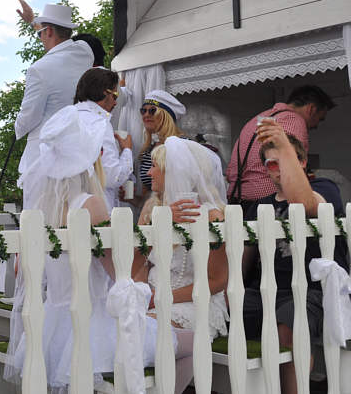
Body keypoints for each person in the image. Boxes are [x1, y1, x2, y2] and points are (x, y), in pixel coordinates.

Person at [7, 103, 192, 394]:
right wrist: (156, 234)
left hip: (51, 324)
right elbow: (122, 272)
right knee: (194, 344)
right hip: (93, 321)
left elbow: (21, 268)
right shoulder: (89, 204)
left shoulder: (40, 208)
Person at [241, 123, 349, 394]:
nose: (277, 168)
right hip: (266, 289)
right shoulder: (261, 205)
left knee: (289, 326)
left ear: (301, 161)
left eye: (284, 160)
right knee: (226, 318)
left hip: (311, 290)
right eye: (271, 164)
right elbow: (245, 258)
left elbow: (303, 202)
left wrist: (283, 144)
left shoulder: (325, 188)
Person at [135, 136, 230, 342]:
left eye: (154, 166)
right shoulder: (151, 208)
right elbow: (137, 264)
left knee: (146, 333)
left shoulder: (212, 216)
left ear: (176, 172)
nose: (149, 173)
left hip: (194, 302)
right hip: (150, 299)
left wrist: (162, 299)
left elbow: (217, 280)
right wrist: (143, 294)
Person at [14, 0, 94, 211]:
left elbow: (28, 117)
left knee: (40, 217)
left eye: (40, 33)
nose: (40, 38)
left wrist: (17, 127)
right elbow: (61, 43)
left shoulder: (39, 69)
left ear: (49, 31)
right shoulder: (85, 53)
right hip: (77, 152)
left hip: (43, 157)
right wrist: (34, 22)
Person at [227, 85, 335, 214]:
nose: (316, 125)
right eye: (320, 119)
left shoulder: (256, 120)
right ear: (311, 109)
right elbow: (293, 166)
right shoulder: (294, 121)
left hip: (238, 202)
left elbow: (231, 171)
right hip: (270, 205)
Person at [74, 68, 133, 210]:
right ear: (104, 92)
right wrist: (127, 151)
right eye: (115, 96)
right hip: (96, 208)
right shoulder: (99, 123)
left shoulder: (67, 117)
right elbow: (112, 177)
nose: (115, 103)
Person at [136, 90, 186, 200]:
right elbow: (147, 196)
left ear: (165, 116)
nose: (146, 115)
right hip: (154, 209)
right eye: (143, 111)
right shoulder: (148, 149)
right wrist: (132, 199)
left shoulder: (182, 145)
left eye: (152, 111)